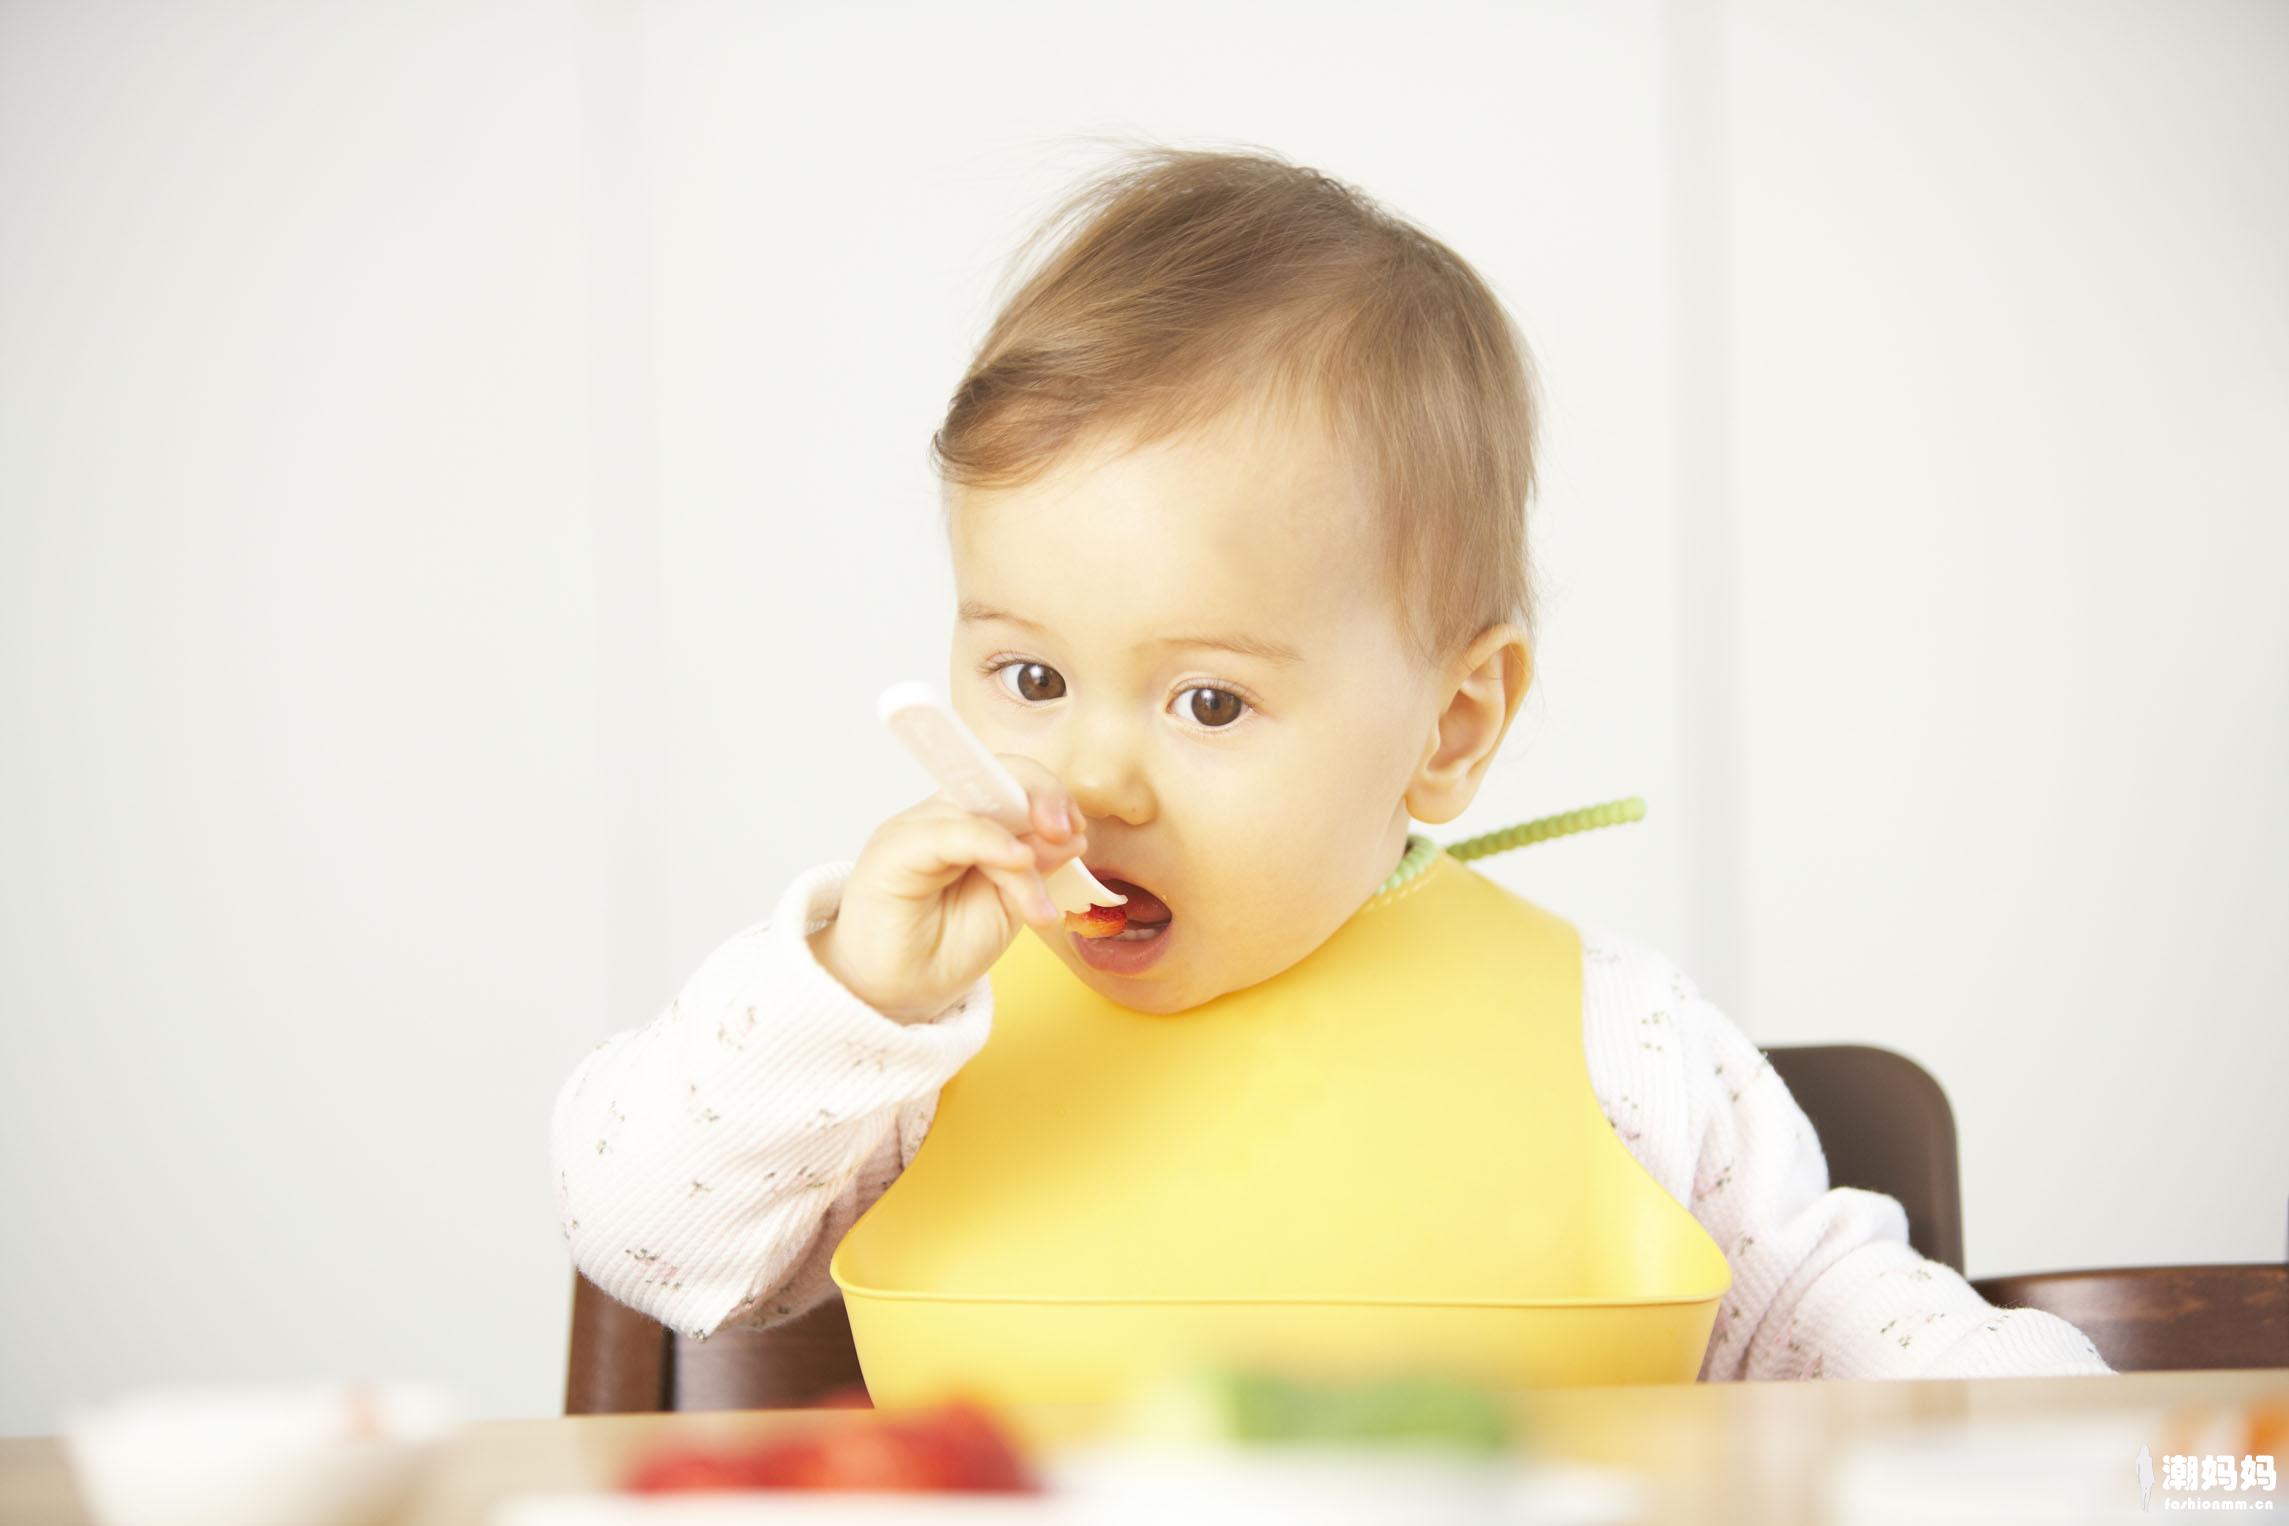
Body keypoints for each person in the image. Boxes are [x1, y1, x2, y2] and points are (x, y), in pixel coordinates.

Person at [550, 144, 2110, 1383]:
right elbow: (639, 1235)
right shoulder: (911, 1052)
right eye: (1030, 676)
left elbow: (1840, 1326)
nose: (1091, 776)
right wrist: (849, 992)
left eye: (1209, 704)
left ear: (1449, 729)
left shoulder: (1619, 1049)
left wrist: (2096, 1448)